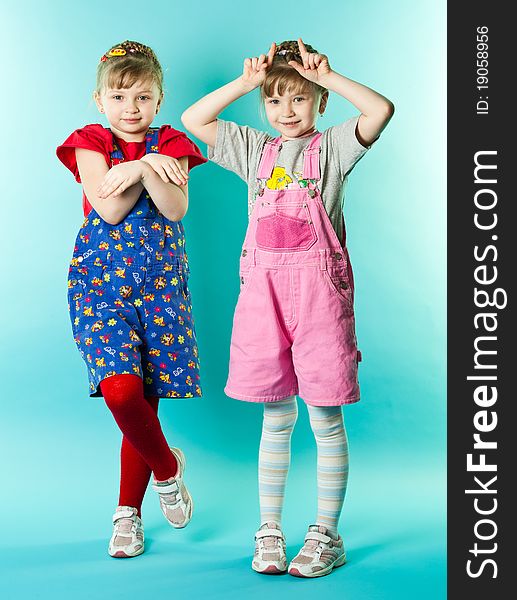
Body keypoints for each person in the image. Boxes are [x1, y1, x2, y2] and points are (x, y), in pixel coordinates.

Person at [182, 38, 394, 577]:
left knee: (324, 417)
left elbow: (380, 110)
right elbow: (194, 118)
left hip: (320, 295)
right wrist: (248, 82)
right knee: (276, 416)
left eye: (300, 98)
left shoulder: (336, 148)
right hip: (264, 295)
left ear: (320, 102)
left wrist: (328, 74)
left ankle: (326, 534)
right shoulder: (255, 151)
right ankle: (270, 530)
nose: (287, 111)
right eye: (275, 101)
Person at [57, 40, 206, 558]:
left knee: (145, 401)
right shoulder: (90, 141)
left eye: (142, 97)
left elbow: (176, 207)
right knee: (121, 392)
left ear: (159, 99)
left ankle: (128, 514)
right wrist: (146, 167)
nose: (131, 108)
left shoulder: (172, 143)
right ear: (100, 100)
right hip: (101, 283)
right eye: (119, 97)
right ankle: (168, 471)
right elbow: (110, 210)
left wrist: (143, 169)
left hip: (160, 286)